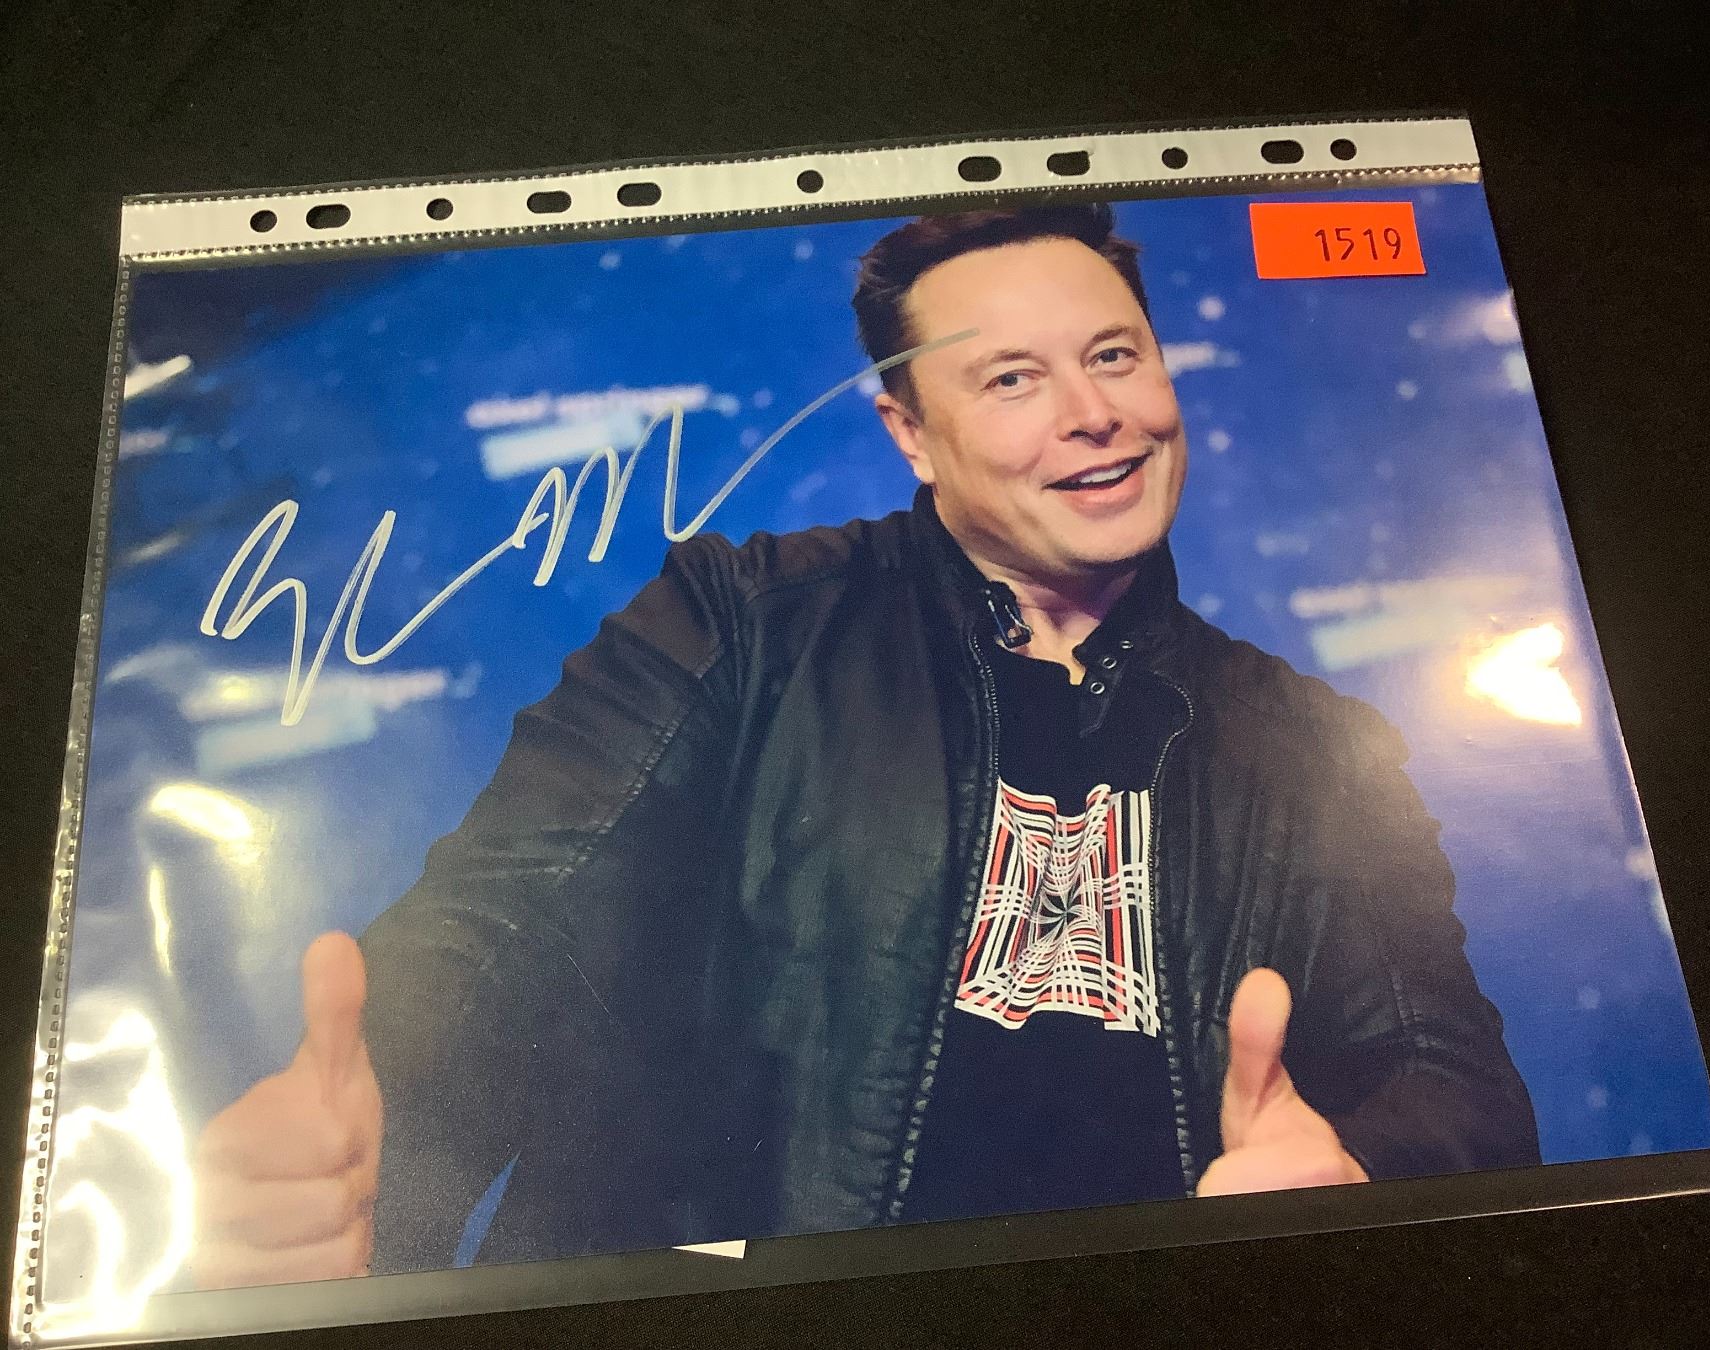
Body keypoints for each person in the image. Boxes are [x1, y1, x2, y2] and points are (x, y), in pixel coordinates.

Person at [190, 204, 1539, 1289]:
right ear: (910, 432)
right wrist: (362, 1136)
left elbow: (1452, 1079)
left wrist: (1357, 1169)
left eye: (1116, 355)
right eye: (1011, 378)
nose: (1092, 412)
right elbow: (504, 935)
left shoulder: (1312, 742)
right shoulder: (736, 626)